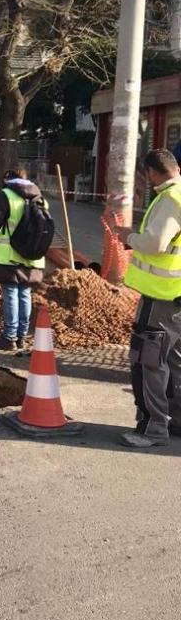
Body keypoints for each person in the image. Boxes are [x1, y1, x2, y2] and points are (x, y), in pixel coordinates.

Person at [112, 148, 181, 449]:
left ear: (152, 172)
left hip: (160, 296)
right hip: (176, 297)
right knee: (175, 360)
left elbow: (154, 244)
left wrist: (127, 236)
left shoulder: (170, 200)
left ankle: (153, 429)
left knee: (149, 361)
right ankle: (175, 420)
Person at [0, 166, 47, 351]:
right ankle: (21, 337)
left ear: (8, 179)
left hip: (9, 255)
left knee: (11, 293)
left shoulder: (7, 195)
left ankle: (9, 337)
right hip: (32, 255)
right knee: (25, 293)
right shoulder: (40, 198)